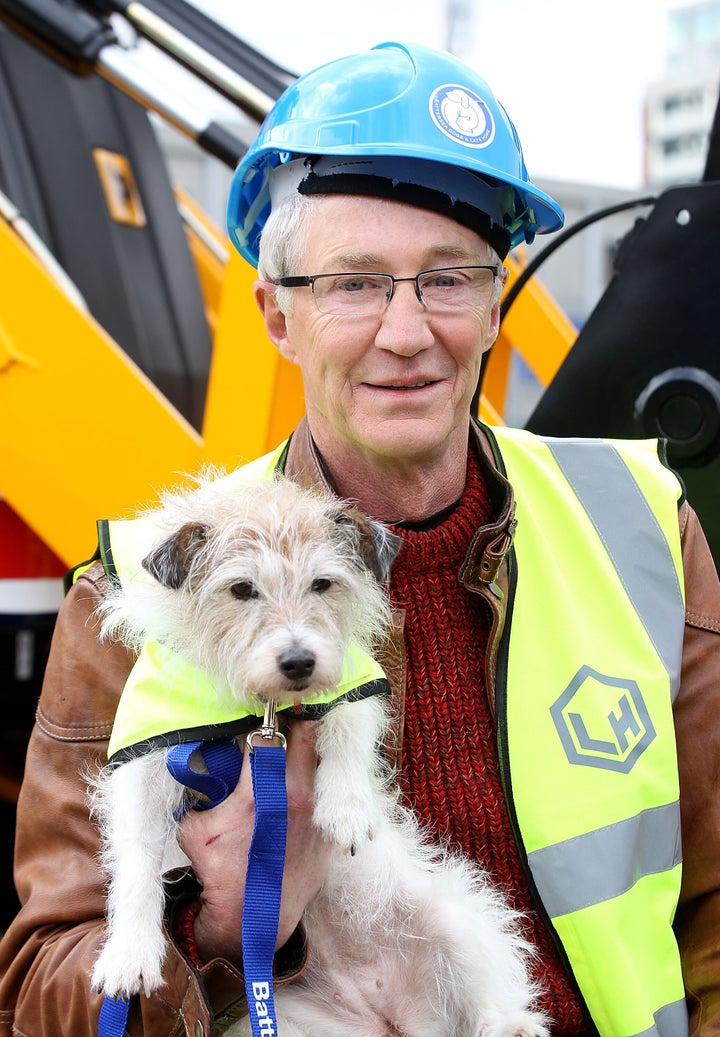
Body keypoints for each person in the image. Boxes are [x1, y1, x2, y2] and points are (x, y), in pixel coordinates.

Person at [1, 38, 720, 1037]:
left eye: (448, 279)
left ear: (494, 306)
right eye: (353, 283)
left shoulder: (642, 525)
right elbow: (42, 985)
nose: (406, 330)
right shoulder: (140, 595)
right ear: (276, 315)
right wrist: (223, 918)